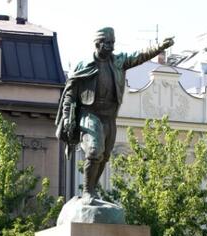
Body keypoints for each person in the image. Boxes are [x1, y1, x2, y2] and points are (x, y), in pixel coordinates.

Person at [56, 27, 174, 204]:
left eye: (113, 43)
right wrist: (66, 117)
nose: (111, 47)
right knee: (95, 151)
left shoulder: (118, 62)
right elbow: (69, 94)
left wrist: (159, 47)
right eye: (108, 43)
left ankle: (92, 191)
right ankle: (87, 191)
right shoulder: (85, 65)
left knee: (105, 156)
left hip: (109, 117)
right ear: (98, 43)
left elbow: (140, 55)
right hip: (90, 114)